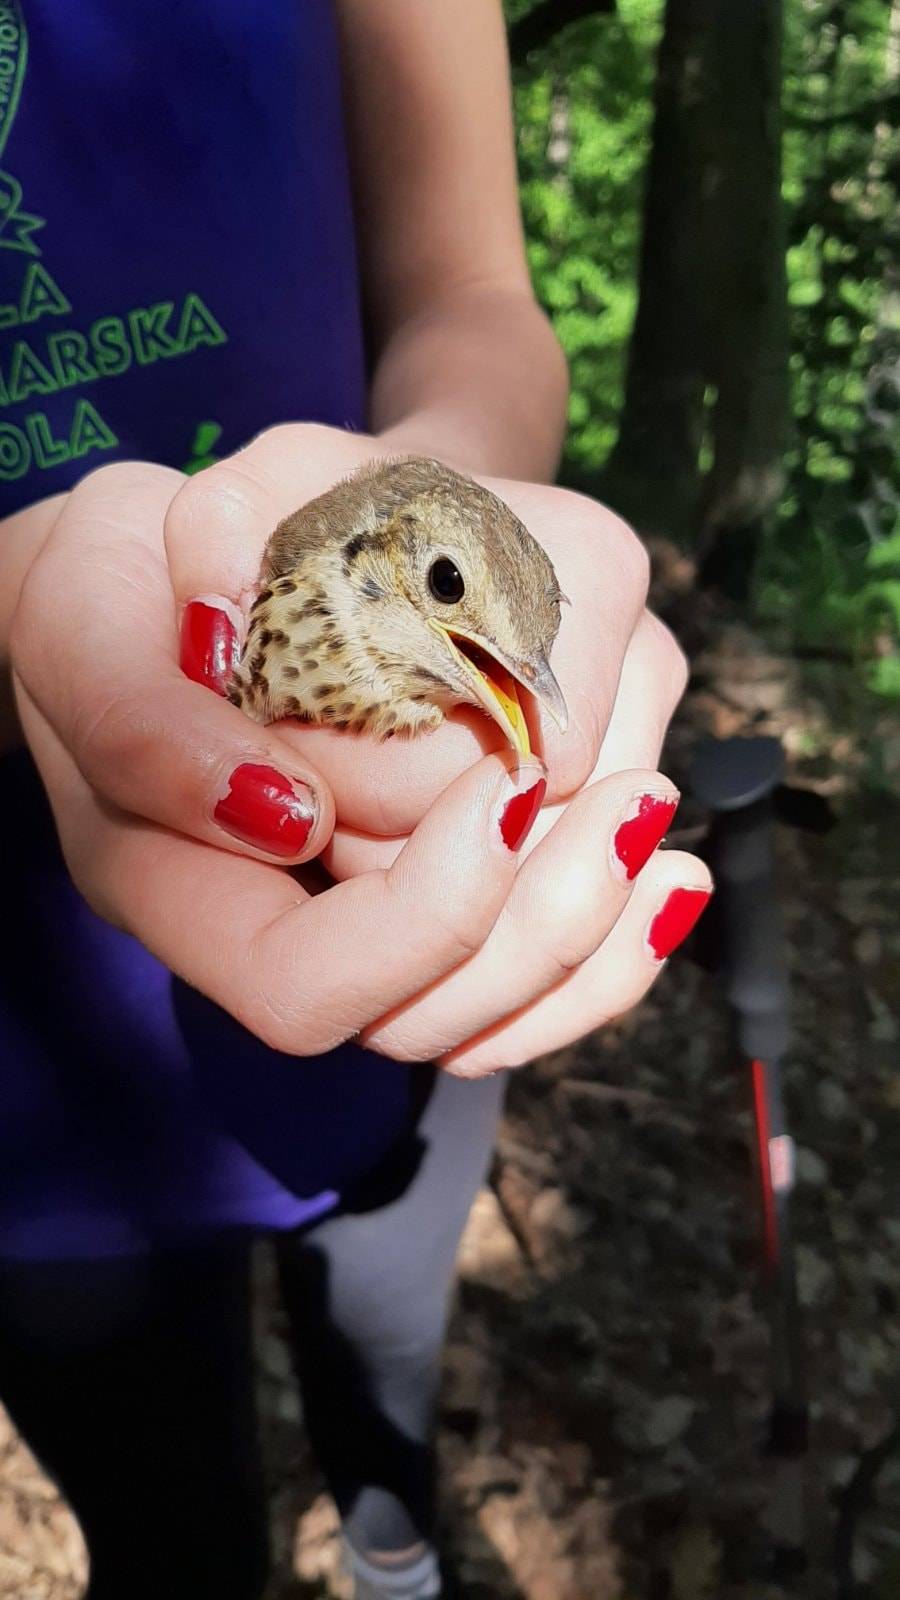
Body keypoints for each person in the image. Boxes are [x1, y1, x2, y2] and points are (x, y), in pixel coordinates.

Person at [0, 2, 712, 1596]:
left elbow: (473, 298)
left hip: (398, 995)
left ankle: (393, 1555)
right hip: (34, 1070)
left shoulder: (430, 624)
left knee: (385, 1421)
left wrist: (468, 486)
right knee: (175, 1541)